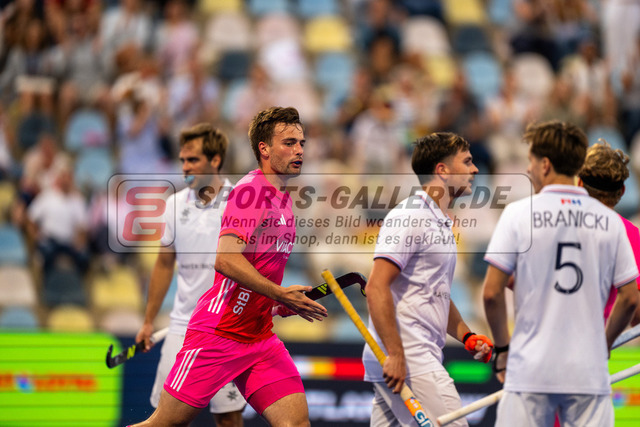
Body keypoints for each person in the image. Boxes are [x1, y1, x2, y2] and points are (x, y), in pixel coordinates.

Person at [130, 106, 327, 427]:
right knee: (164, 424)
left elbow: (257, 270)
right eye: (289, 143)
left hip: (259, 338)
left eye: (301, 143)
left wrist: (278, 302)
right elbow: (225, 259)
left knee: (295, 423)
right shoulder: (250, 192)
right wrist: (279, 293)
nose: (299, 150)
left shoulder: (283, 199)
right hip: (218, 334)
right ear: (264, 149)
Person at [483, 120, 639, 427]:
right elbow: (632, 303)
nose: (527, 168)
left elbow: (491, 292)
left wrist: (503, 350)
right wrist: (604, 344)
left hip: (532, 366)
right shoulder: (615, 225)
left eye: (530, 161)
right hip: (587, 366)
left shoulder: (518, 213)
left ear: (546, 165)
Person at [363, 132, 492, 427]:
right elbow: (376, 286)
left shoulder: (439, 221)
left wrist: (467, 336)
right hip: (409, 356)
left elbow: (435, 293)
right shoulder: (411, 216)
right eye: (467, 162)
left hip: (406, 355)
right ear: (442, 170)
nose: (475, 170)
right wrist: (396, 354)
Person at [134, 123, 246, 426]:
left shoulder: (241, 202)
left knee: (228, 418)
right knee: (164, 419)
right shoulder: (173, 204)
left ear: (216, 160)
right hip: (183, 326)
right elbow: (163, 265)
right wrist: (148, 320)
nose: (185, 167)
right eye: (183, 160)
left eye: (193, 160)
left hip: (227, 329)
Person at [577, 141, 640, 325]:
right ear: (622, 191)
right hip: (601, 337)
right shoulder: (629, 233)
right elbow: (636, 310)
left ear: (579, 184)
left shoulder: (557, 223)